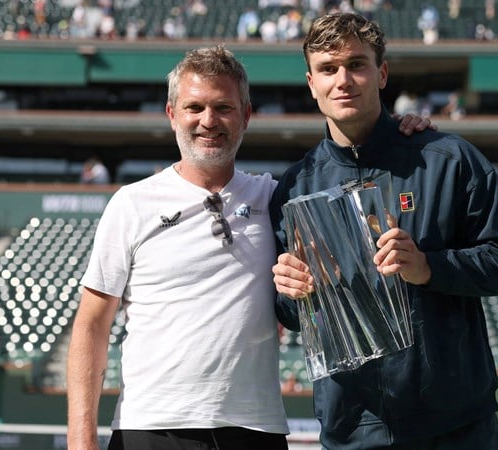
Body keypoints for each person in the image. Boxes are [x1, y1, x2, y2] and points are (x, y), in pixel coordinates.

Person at [67, 44, 435, 450]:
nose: (209, 121)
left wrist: (397, 132)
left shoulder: (277, 198)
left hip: (255, 429)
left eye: (223, 108)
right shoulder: (132, 204)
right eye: (194, 108)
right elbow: (91, 327)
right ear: (172, 114)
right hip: (152, 426)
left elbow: (350, 169)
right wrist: (80, 439)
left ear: (246, 116)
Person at [270, 12, 498, 449]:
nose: (343, 80)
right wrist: (290, 293)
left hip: (456, 429)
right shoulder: (294, 187)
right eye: (328, 69)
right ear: (311, 83)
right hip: (352, 431)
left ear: (381, 72)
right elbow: (295, 317)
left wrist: (429, 267)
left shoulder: (449, 160)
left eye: (357, 64)